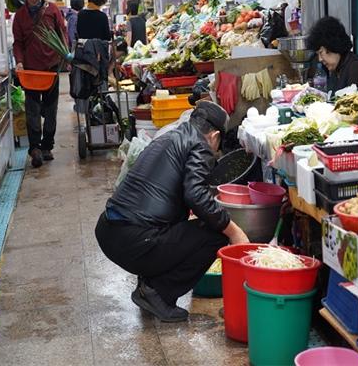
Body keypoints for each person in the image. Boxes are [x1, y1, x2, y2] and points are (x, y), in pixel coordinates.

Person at [95, 101, 249, 322]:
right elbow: (195, 195)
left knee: (183, 227)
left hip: (110, 232)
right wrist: (234, 232)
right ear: (215, 136)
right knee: (214, 234)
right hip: (134, 240)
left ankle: (147, 285)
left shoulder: (170, 136)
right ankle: (158, 294)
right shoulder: (201, 145)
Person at [13, 0, 67, 168]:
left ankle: (47, 146)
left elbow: (62, 33)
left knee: (51, 109)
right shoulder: (20, 16)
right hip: (30, 72)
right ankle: (35, 148)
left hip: (51, 68)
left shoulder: (52, 10)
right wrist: (19, 62)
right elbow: (18, 43)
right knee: (32, 110)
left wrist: (65, 55)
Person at [307, 16, 358, 94]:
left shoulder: (356, 68)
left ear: (332, 45)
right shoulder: (336, 68)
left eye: (321, 52)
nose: (320, 59)